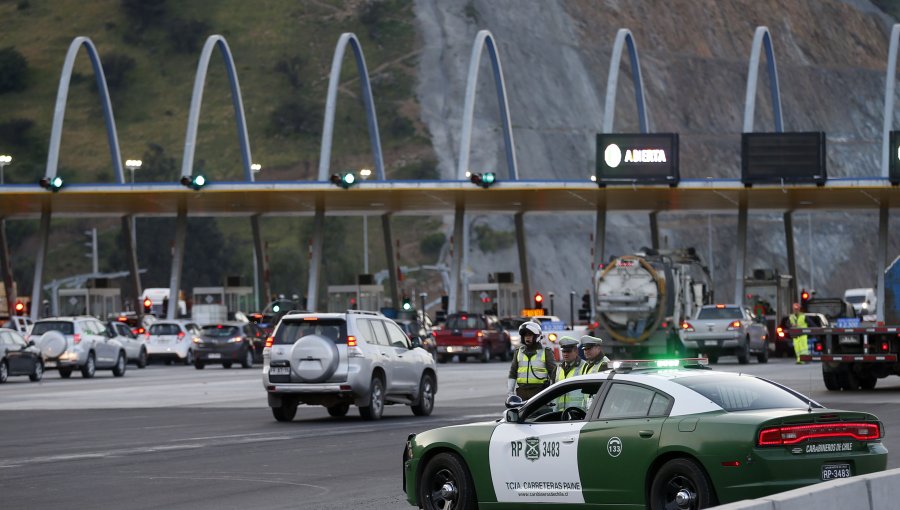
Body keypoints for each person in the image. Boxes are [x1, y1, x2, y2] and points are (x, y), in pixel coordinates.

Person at [507, 320, 557, 400]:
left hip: (540, 393)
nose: (527, 337)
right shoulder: (518, 352)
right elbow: (512, 373)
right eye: (525, 335)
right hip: (522, 393)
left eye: (530, 335)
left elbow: (554, 374)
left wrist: (551, 393)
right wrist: (510, 393)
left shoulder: (546, 352)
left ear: (537, 336)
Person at [554, 336, 584, 411]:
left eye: (569, 351)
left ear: (576, 351)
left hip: (578, 412)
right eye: (564, 351)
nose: (565, 354)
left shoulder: (584, 366)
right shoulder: (558, 368)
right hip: (560, 413)